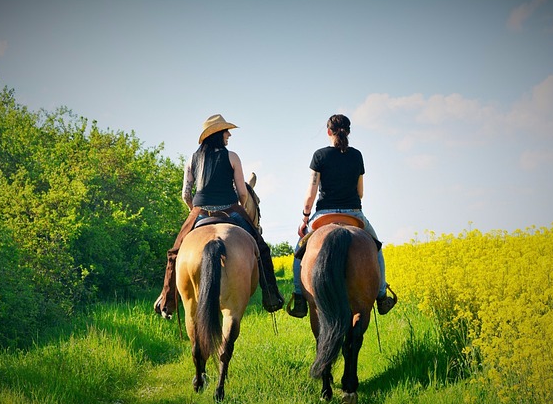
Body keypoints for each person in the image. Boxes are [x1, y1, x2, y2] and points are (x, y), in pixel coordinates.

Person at [158, 114, 284, 313]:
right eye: (226, 131)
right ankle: (271, 296)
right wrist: (240, 208)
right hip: (230, 210)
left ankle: (167, 301)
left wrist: (195, 212)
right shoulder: (232, 156)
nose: (229, 135)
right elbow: (243, 192)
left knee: (174, 253)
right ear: (217, 133)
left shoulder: (192, 158)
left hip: (200, 211)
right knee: (262, 247)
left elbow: (185, 194)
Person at [287, 114, 396, 318]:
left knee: (298, 251)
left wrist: (305, 217)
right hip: (354, 213)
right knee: (377, 248)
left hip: (323, 214)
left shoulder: (319, 155)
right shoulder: (357, 156)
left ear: (329, 132)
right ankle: (381, 296)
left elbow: (310, 194)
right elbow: (360, 192)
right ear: (348, 132)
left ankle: (299, 296)